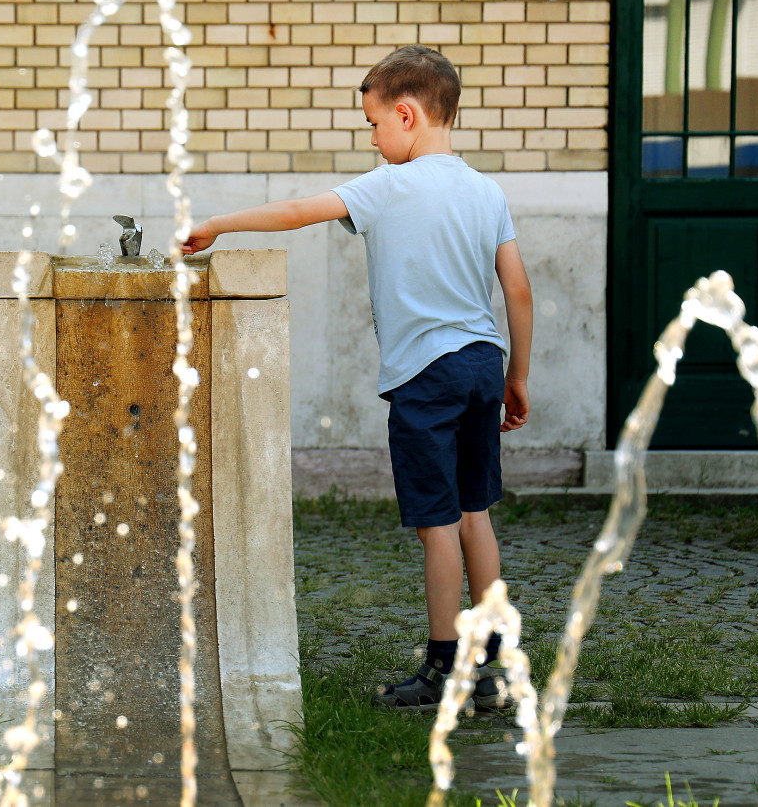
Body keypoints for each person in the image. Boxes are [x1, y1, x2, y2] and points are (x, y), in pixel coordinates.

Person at [182, 45, 533, 710]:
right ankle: (496, 667)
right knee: (474, 513)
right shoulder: (488, 191)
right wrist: (518, 375)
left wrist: (219, 225)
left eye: (374, 124)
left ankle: (443, 670)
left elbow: (294, 212)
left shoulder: (386, 184)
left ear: (406, 114)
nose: (373, 138)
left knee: (437, 525)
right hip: (485, 363)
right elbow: (517, 290)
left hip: (426, 374)